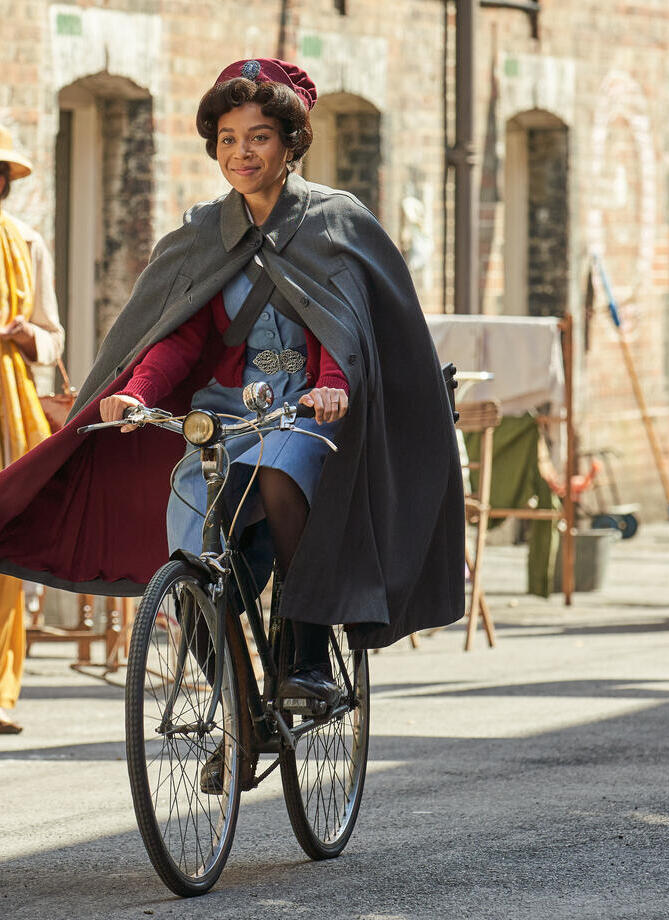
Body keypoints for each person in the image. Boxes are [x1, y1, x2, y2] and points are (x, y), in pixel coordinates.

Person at [0, 60, 464, 699]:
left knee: (280, 474)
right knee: (189, 531)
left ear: (290, 143)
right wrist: (136, 393)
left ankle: (304, 660)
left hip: (309, 406)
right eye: (227, 139)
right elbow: (179, 333)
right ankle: (235, 698)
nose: (241, 153)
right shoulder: (202, 231)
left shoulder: (335, 221)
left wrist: (334, 385)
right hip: (224, 408)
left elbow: (347, 328)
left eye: (258, 137)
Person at [0, 128, 65, 733]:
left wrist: (26, 334)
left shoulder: (26, 242)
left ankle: (0, 690)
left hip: (10, 404)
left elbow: (52, 337)